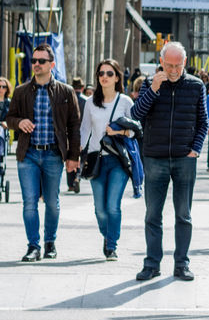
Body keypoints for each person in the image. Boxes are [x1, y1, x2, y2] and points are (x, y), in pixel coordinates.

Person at [131, 41, 207, 281]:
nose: (173, 70)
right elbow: (136, 116)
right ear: (161, 63)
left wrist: (195, 148)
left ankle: (181, 264)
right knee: (153, 214)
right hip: (155, 157)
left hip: (185, 158)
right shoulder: (149, 84)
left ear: (185, 63)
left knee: (183, 214)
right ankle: (152, 264)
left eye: (178, 65)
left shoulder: (196, 85)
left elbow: (203, 121)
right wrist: (153, 89)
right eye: (169, 65)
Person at [4, 43, 80, 261]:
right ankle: (33, 246)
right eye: (34, 60)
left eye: (41, 61)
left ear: (52, 64)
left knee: (52, 202)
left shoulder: (65, 92)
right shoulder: (20, 91)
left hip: (53, 155)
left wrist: (73, 157)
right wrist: (19, 122)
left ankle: (50, 243)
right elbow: (9, 119)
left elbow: (74, 125)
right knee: (29, 201)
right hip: (28, 154)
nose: (36, 64)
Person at [79, 59, 134, 260]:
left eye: (109, 73)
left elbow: (136, 131)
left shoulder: (126, 102)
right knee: (100, 210)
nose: (104, 77)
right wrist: (77, 152)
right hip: (96, 159)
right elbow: (85, 129)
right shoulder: (91, 102)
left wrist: (121, 131)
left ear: (117, 77)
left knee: (112, 206)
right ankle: (107, 235)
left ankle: (112, 246)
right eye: (101, 73)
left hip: (118, 160)